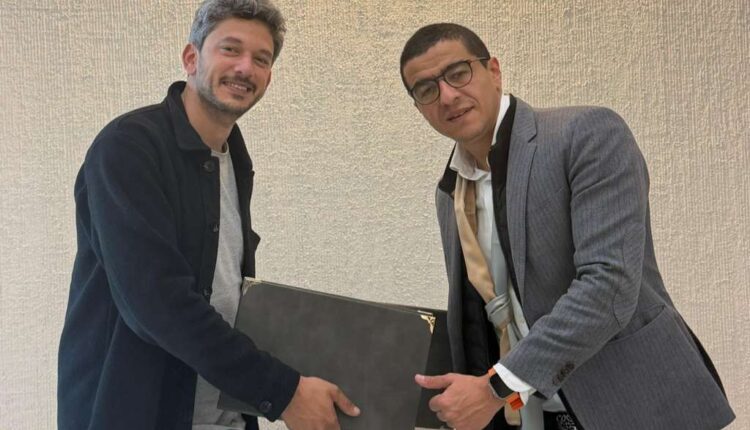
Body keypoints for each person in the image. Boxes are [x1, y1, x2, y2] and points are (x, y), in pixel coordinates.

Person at [400, 23, 734, 430]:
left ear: (494, 71)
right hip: (529, 415)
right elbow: (483, 319)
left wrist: (496, 387)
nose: (447, 96)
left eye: (458, 73)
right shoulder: (450, 191)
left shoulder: (586, 134)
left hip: (636, 406)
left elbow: (609, 286)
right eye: (426, 89)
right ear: (419, 108)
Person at [57, 1, 360, 429]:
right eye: (230, 49)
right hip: (139, 414)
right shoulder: (129, 147)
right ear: (191, 58)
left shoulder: (235, 158)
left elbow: (225, 292)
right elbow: (157, 301)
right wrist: (283, 391)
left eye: (261, 59)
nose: (245, 67)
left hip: (223, 418)